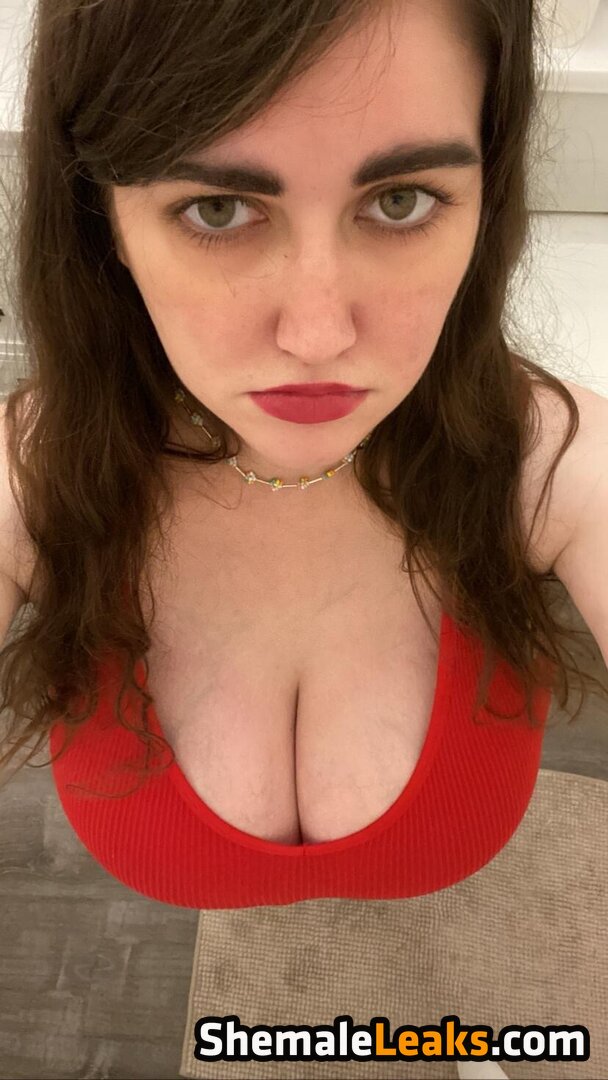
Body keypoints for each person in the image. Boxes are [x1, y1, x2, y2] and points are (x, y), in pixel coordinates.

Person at [0, 0, 606, 912]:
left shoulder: (557, 462)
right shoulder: (31, 478)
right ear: (104, 223)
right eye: (217, 209)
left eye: (400, 201)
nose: (319, 336)